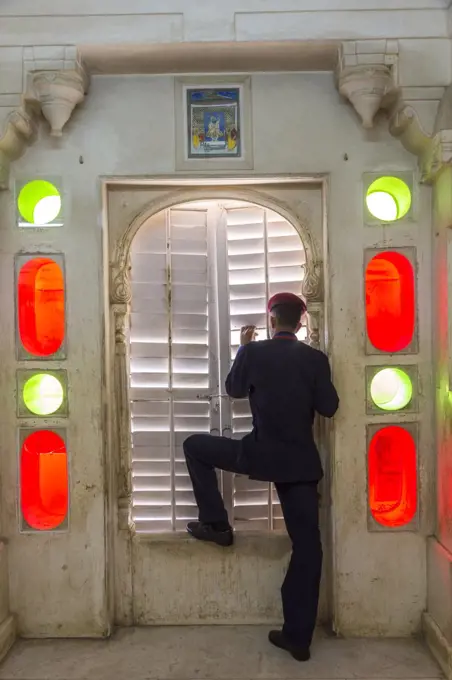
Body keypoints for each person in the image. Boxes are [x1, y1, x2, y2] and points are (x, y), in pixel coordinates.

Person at [183, 292, 339, 662]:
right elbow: (330, 408)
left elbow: (233, 390)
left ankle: (217, 525)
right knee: (308, 547)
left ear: (271, 320)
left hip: (258, 453)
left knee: (194, 446)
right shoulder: (315, 359)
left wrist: (243, 348)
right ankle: (298, 638)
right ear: (301, 322)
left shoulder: (253, 353)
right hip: (299, 464)